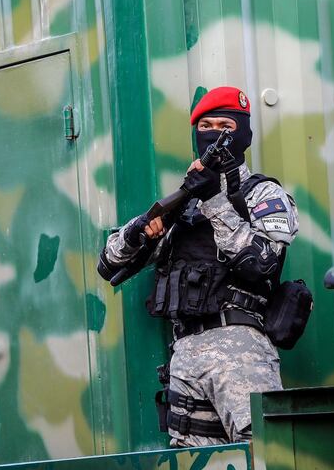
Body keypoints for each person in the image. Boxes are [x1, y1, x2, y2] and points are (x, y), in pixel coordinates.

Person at [98, 86, 299, 447]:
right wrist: (140, 230)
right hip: (185, 356)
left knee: (266, 455)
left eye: (224, 124)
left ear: (243, 133)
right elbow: (110, 261)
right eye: (205, 125)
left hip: (240, 350)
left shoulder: (263, 195)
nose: (213, 132)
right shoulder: (184, 202)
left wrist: (214, 201)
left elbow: (261, 264)